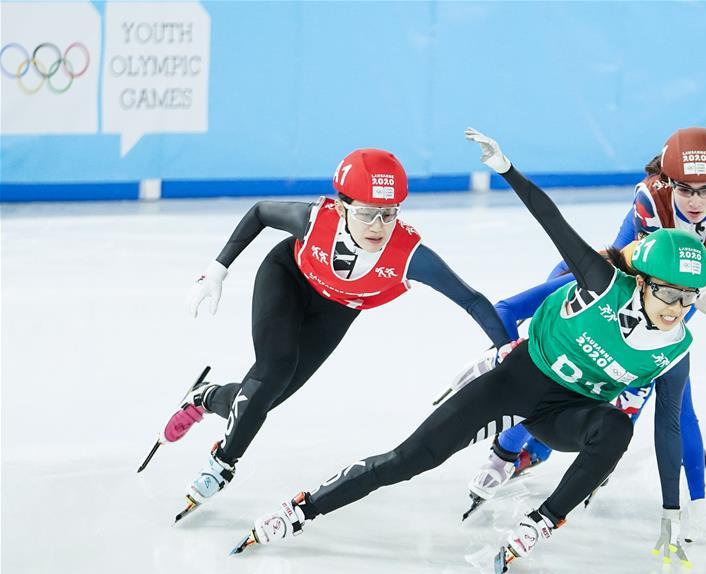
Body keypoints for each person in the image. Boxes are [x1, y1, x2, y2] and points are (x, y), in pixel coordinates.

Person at [232, 129, 706, 573]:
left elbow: (667, 424)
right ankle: (300, 509)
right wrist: (506, 168)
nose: (677, 309)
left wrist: (673, 510)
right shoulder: (602, 281)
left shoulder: (676, 346)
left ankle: (539, 522)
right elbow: (550, 218)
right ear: (642, 282)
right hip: (516, 380)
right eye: (669, 294)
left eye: (689, 299)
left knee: (615, 428)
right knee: (408, 460)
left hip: (567, 412)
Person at [466, 127, 706, 544]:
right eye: (684, 190)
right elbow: (646, 263)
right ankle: (509, 448)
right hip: (624, 279)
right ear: (667, 182)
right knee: (562, 351)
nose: (694, 201)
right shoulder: (650, 196)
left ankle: (681, 501)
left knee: (660, 390)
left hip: (673, 294)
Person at [160, 148, 512, 518]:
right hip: (288, 277)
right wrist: (216, 270)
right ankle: (221, 465)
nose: (378, 225)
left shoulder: (410, 255)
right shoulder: (315, 220)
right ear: (342, 207)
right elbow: (261, 211)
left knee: (265, 399)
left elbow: (471, 300)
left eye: (388, 213)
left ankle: (204, 396)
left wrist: (508, 350)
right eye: (366, 213)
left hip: (338, 309)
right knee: (273, 370)